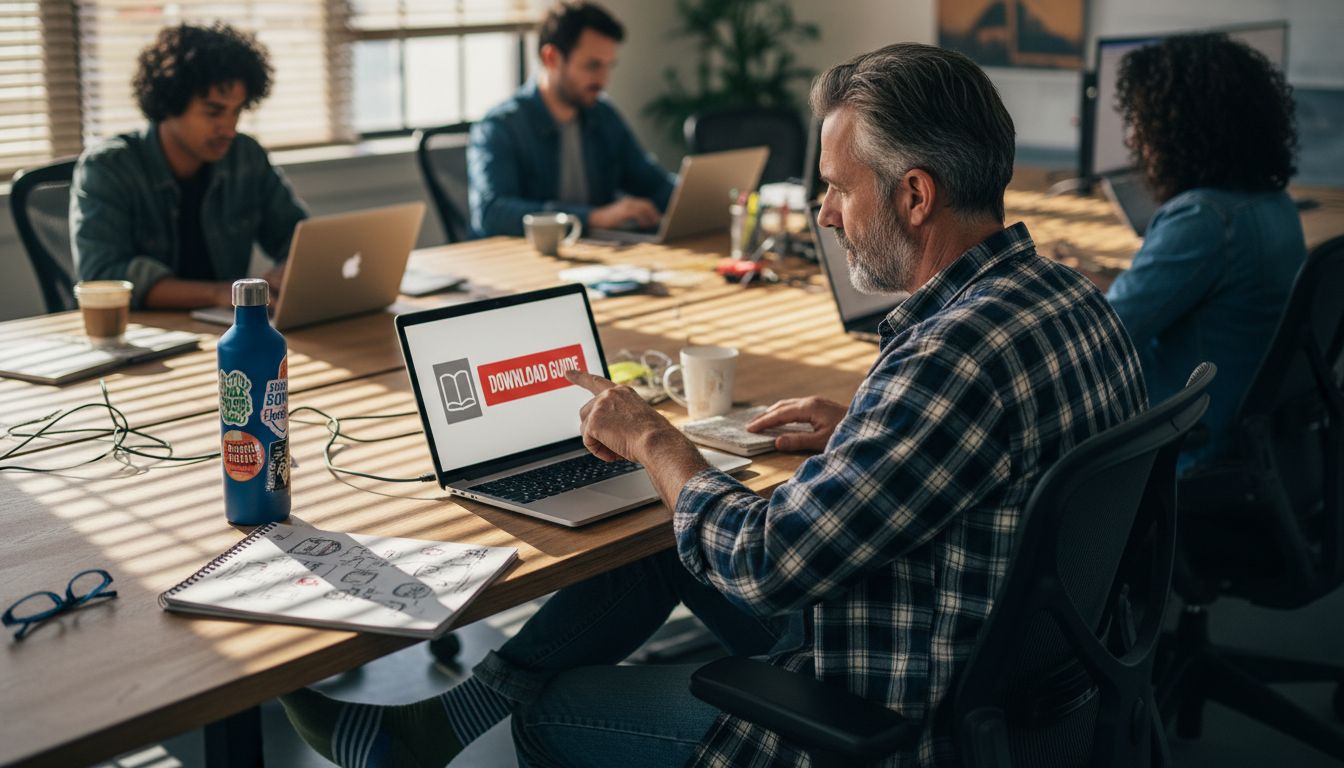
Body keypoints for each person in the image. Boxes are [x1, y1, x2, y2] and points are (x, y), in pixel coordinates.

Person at [281, 43, 1147, 767]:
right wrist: (862, 433)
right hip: (1017, 675)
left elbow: (767, 561)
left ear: (915, 195)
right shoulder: (1071, 303)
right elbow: (1006, 455)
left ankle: (474, 720)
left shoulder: (948, 357)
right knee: (667, 545)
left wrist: (656, 440)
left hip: (891, 713)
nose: (826, 215)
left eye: (841, 188)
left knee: (556, 704)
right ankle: (437, 724)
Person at [1060, 33, 1303, 472]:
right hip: (1248, 431)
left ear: (1179, 132)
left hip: (1183, 440)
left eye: (1144, 123)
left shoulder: (1202, 220)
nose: (1137, 142)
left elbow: (1104, 338)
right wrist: (1102, 281)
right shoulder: (1273, 204)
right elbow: (1188, 300)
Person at [71, 22, 308, 310]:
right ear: (169, 104)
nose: (229, 129)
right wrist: (217, 293)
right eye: (213, 112)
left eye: (236, 111)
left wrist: (291, 268)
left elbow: (297, 239)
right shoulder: (108, 168)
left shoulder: (245, 156)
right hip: (144, 335)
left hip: (224, 330)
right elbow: (103, 275)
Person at [467, 1, 676, 238]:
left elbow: (653, 184)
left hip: (598, 261)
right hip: (524, 264)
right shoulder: (500, 127)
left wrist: (699, 196)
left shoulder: (603, 116)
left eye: (609, 66)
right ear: (551, 58)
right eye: (593, 65)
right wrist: (593, 218)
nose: (603, 79)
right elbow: (492, 213)